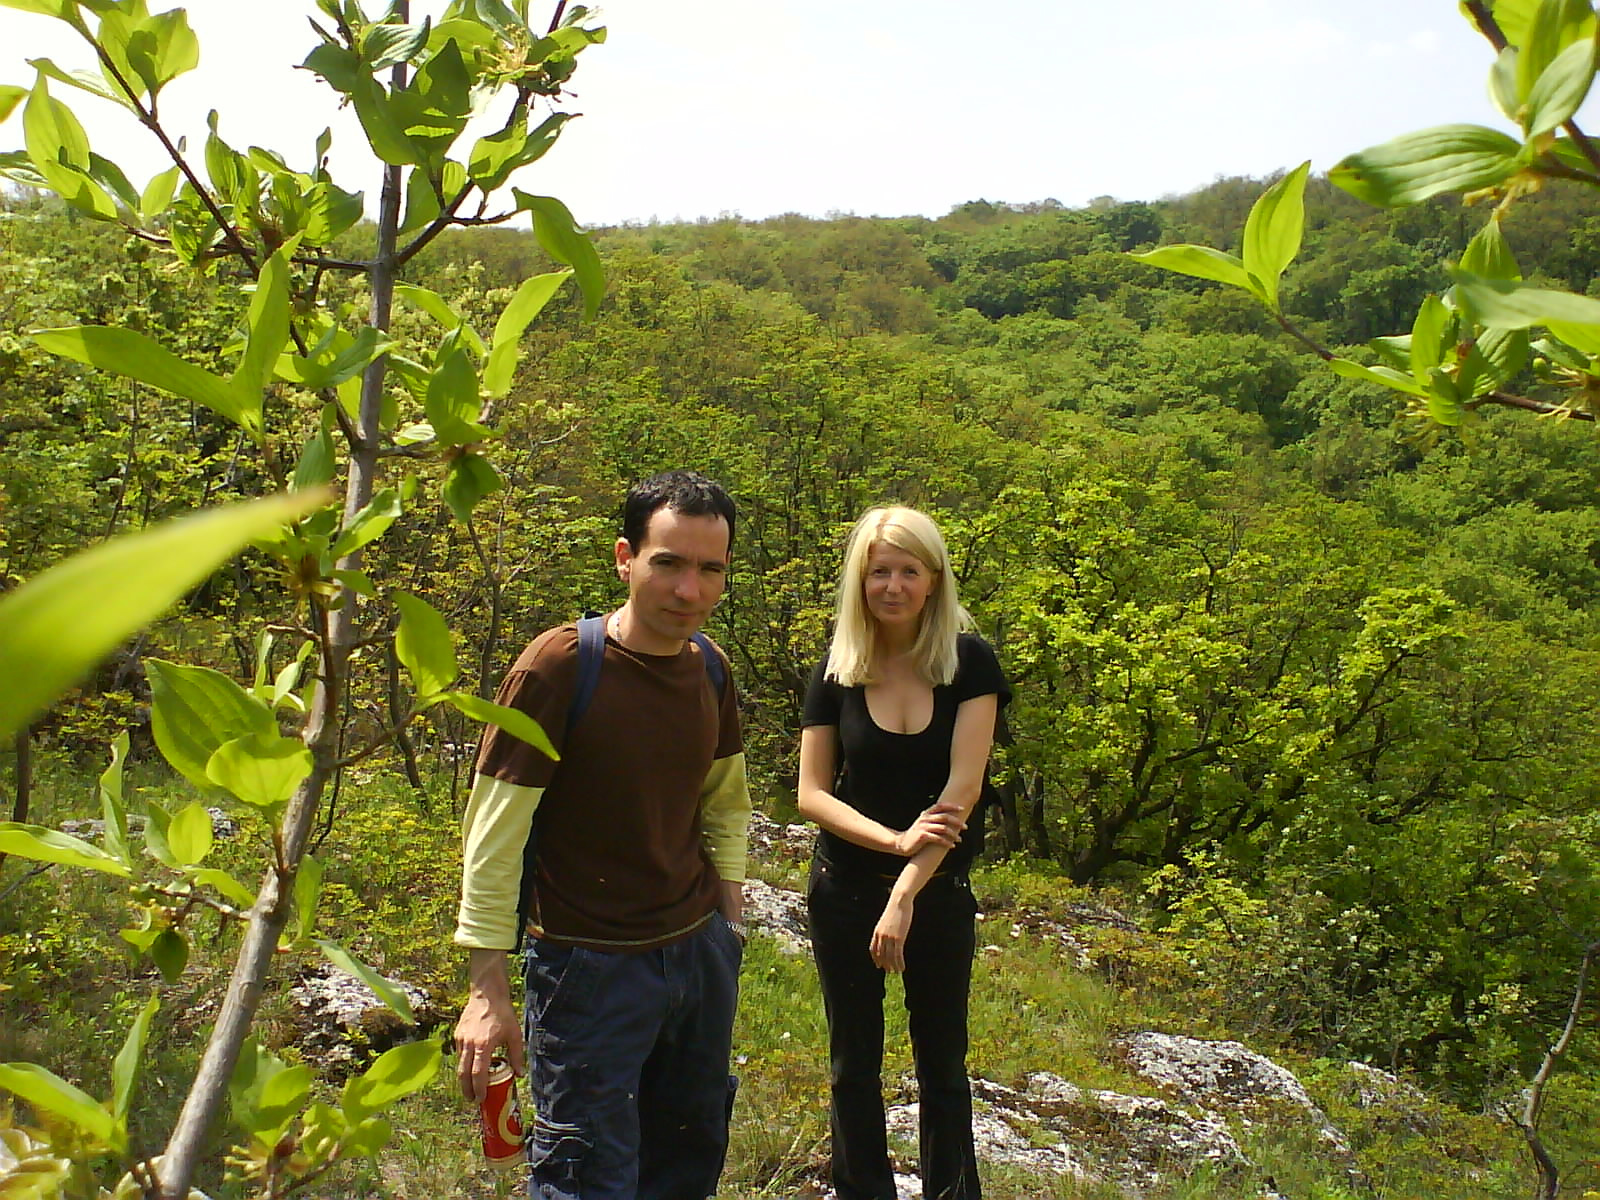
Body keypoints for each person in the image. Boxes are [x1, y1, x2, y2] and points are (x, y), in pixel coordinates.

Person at [452, 470, 752, 1200]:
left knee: (686, 1162)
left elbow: (725, 801)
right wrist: (488, 988)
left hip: (695, 957)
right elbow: (494, 834)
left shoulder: (709, 668)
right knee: (586, 1173)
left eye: (710, 569)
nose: (690, 590)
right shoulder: (560, 667)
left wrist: (730, 925)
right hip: (589, 971)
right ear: (625, 558)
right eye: (669, 563)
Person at [797, 506, 1010, 1200]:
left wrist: (904, 893)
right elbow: (810, 793)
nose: (892, 585)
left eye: (907, 571)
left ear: (933, 579)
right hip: (844, 889)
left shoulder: (970, 664)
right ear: (860, 580)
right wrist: (890, 844)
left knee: (943, 1063)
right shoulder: (836, 668)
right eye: (878, 570)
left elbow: (962, 791)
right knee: (852, 1063)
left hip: (936, 894)